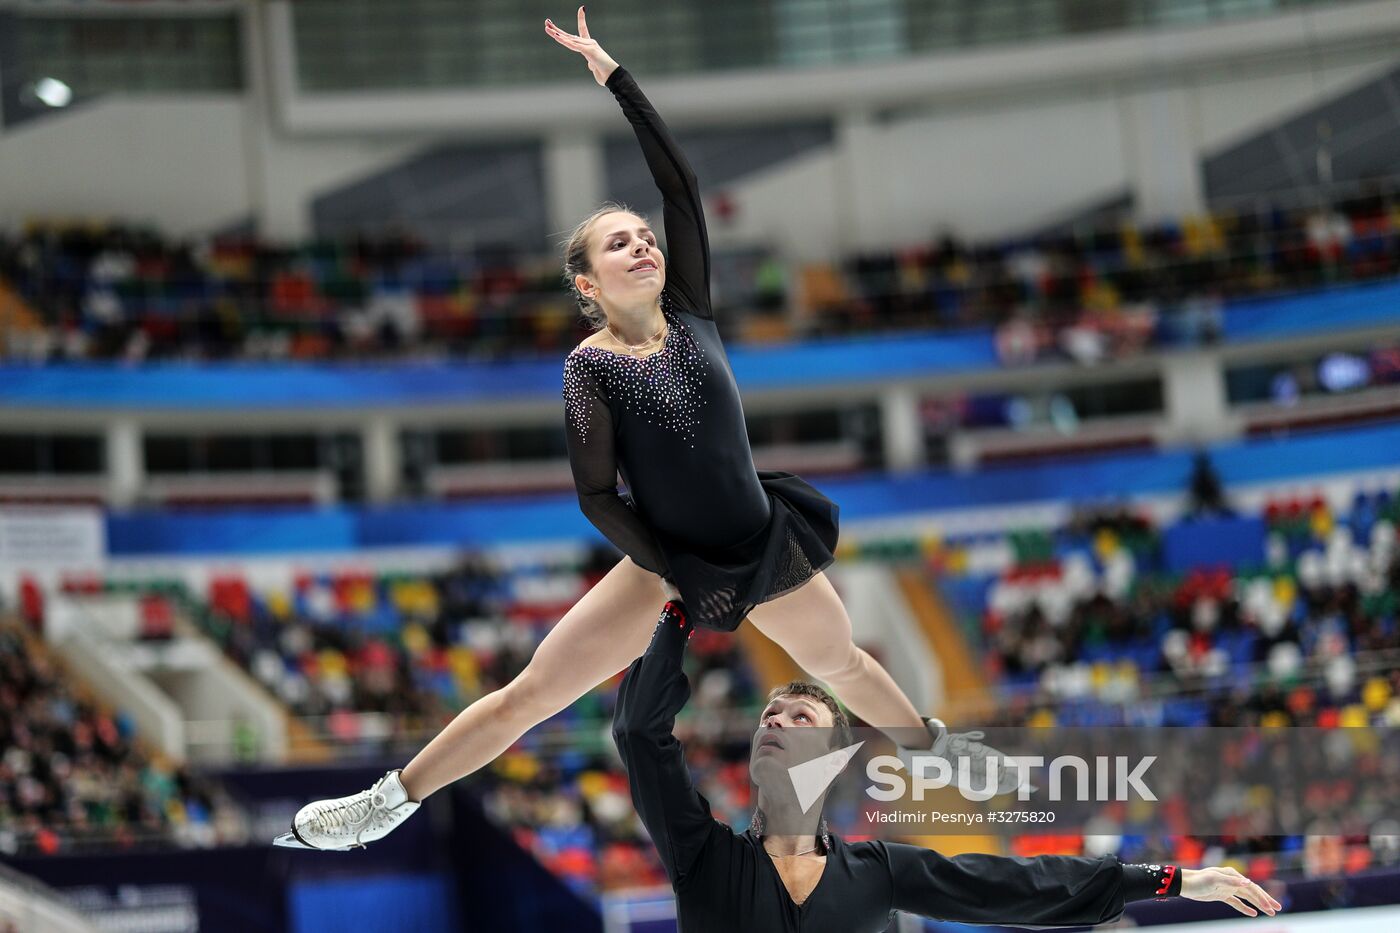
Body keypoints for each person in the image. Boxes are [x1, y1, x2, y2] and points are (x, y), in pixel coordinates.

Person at [275, 8, 986, 852]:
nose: (645, 247)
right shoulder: (590, 367)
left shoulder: (691, 313)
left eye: (647, 239)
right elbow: (596, 495)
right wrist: (673, 569)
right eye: (621, 244)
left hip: (761, 542)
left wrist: (617, 80)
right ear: (588, 281)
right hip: (664, 562)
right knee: (533, 691)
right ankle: (386, 801)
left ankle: (932, 747)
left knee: (845, 665)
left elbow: (680, 188)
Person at [614, 601, 1285, 932]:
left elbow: (1015, 885)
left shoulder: (876, 871)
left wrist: (1174, 878)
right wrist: (679, 610)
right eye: (769, 716)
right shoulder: (703, 855)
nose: (774, 723)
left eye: (799, 718)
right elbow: (641, 732)